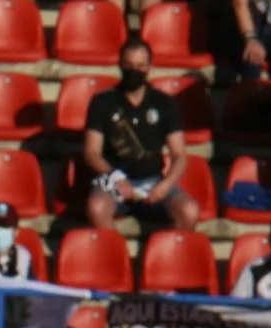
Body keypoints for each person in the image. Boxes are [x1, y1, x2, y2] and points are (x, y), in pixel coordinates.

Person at [84, 39, 200, 232]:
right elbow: (91, 152)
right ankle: (115, 257)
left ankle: (166, 258)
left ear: (149, 68)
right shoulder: (102, 102)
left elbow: (179, 154)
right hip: (114, 180)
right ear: (119, 64)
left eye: (140, 66)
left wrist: (165, 185)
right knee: (97, 207)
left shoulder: (165, 103)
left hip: (153, 181)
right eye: (129, 65)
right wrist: (116, 178)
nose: (134, 71)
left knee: (189, 211)